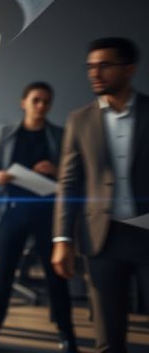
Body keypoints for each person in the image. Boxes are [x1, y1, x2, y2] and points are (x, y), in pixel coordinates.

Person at [52, 37, 149, 353]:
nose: (95, 73)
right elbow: (68, 184)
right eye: (91, 67)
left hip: (147, 233)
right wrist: (62, 240)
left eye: (104, 65)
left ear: (129, 69)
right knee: (108, 337)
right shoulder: (79, 120)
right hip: (101, 238)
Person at [0, 82, 77, 353]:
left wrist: (56, 170)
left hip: (48, 214)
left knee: (57, 276)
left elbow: (72, 175)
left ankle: (67, 335)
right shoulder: (5, 134)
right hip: (12, 211)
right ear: (24, 102)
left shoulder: (59, 134)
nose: (41, 106)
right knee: (1, 278)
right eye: (36, 100)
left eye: (46, 101)